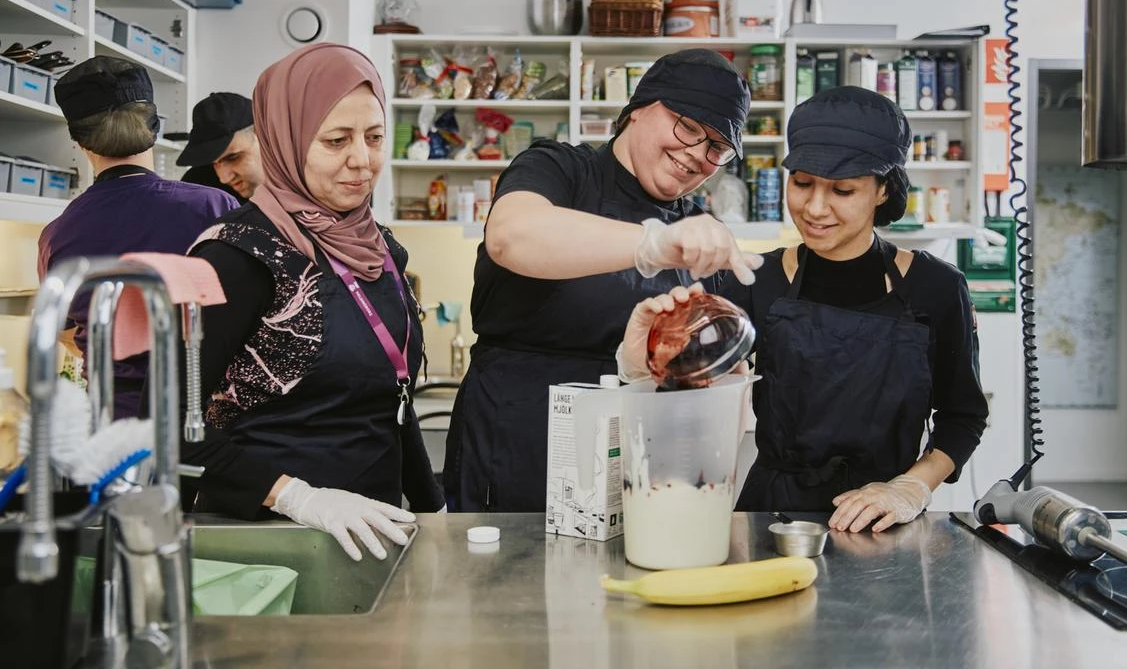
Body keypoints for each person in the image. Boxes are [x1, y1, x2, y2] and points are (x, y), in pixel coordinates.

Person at [618, 87, 988, 533]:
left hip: (883, 521)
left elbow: (963, 418)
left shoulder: (937, 287)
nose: (814, 208)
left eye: (843, 190)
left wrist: (910, 488)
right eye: (803, 183)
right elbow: (692, 396)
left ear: (882, 189)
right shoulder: (760, 279)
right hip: (770, 517)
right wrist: (644, 362)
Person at [443, 48, 764, 513]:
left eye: (716, 147)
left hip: (637, 466)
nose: (696, 154)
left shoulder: (698, 234)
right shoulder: (559, 170)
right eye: (688, 127)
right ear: (636, 110)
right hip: (516, 449)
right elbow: (512, 237)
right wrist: (655, 243)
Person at [179, 43, 443, 561]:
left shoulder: (381, 250)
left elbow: (396, 398)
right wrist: (298, 498)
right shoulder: (239, 255)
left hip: (373, 536)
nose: (362, 161)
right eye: (335, 141)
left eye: (374, 137)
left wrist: (435, 510)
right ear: (284, 141)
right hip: (265, 542)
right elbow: (161, 421)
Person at [38, 56, 238, 419]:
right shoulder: (215, 205)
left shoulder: (58, 234)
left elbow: (68, 334)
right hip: (203, 416)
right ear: (154, 127)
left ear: (80, 142)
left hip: (111, 422)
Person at [176, 91, 265, 201]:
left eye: (232, 157)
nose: (224, 178)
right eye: (214, 162)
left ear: (263, 137)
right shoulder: (200, 184)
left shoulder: (292, 182)